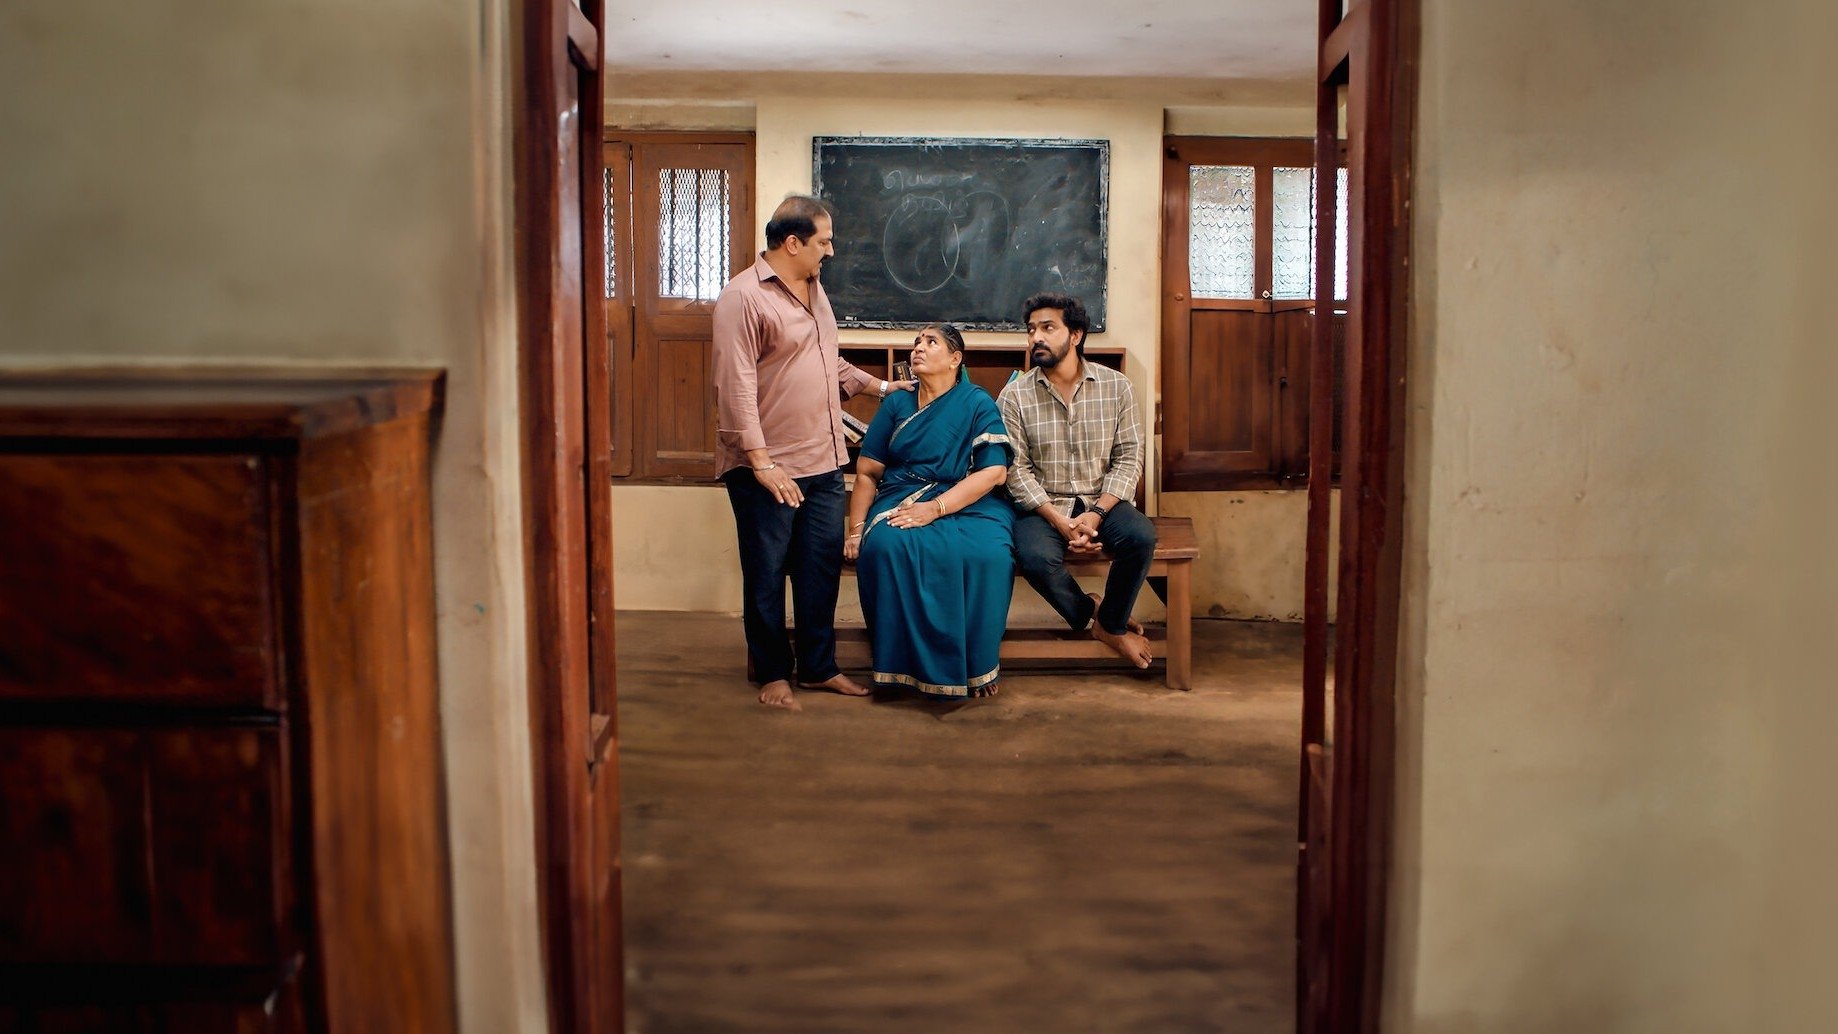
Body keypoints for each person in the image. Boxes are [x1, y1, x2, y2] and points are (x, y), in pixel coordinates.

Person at [713, 195, 912, 710]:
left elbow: (827, 362)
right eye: (824, 241)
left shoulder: (816, 289)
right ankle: (773, 674)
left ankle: (819, 668)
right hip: (767, 468)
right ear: (792, 243)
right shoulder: (742, 297)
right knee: (766, 573)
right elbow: (735, 387)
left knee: (819, 570)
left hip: (824, 460)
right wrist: (761, 463)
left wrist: (881, 388)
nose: (831, 251)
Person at [843, 324, 1015, 700]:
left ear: (955, 359)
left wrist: (936, 508)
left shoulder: (976, 402)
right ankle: (899, 669)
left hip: (967, 499)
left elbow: (994, 472)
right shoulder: (897, 404)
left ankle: (976, 667)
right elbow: (868, 473)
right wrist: (855, 529)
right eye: (916, 342)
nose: (918, 348)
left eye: (930, 342)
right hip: (901, 495)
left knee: (988, 555)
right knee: (887, 546)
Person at [997, 292, 1158, 668]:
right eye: (1031, 329)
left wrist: (1096, 514)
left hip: (1103, 500)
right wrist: (1059, 520)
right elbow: (1015, 470)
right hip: (1043, 506)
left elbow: (1129, 457)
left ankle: (1111, 624)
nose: (1036, 337)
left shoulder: (1116, 386)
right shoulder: (1014, 395)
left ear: (1075, 335)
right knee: (1035, 557)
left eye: (1048, 328)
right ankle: (1089, 613)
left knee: (1140, 537)